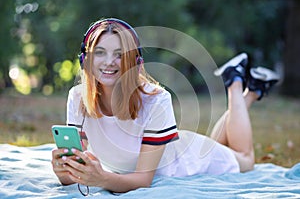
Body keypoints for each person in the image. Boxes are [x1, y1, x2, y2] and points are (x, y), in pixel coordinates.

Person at [51, 18, 280, 193]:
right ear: (86, 59)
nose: (109, 62)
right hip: (176, 146)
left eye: (119, 55)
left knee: (245, 158)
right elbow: (72, 172)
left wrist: (102, 179)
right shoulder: (78, 97)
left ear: (135, 61)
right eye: (100, 52)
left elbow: (143, 180)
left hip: (188, 160)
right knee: (219, 144)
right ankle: (254, 90)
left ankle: (236, 84)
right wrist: (63, 172)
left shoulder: (156, 99)